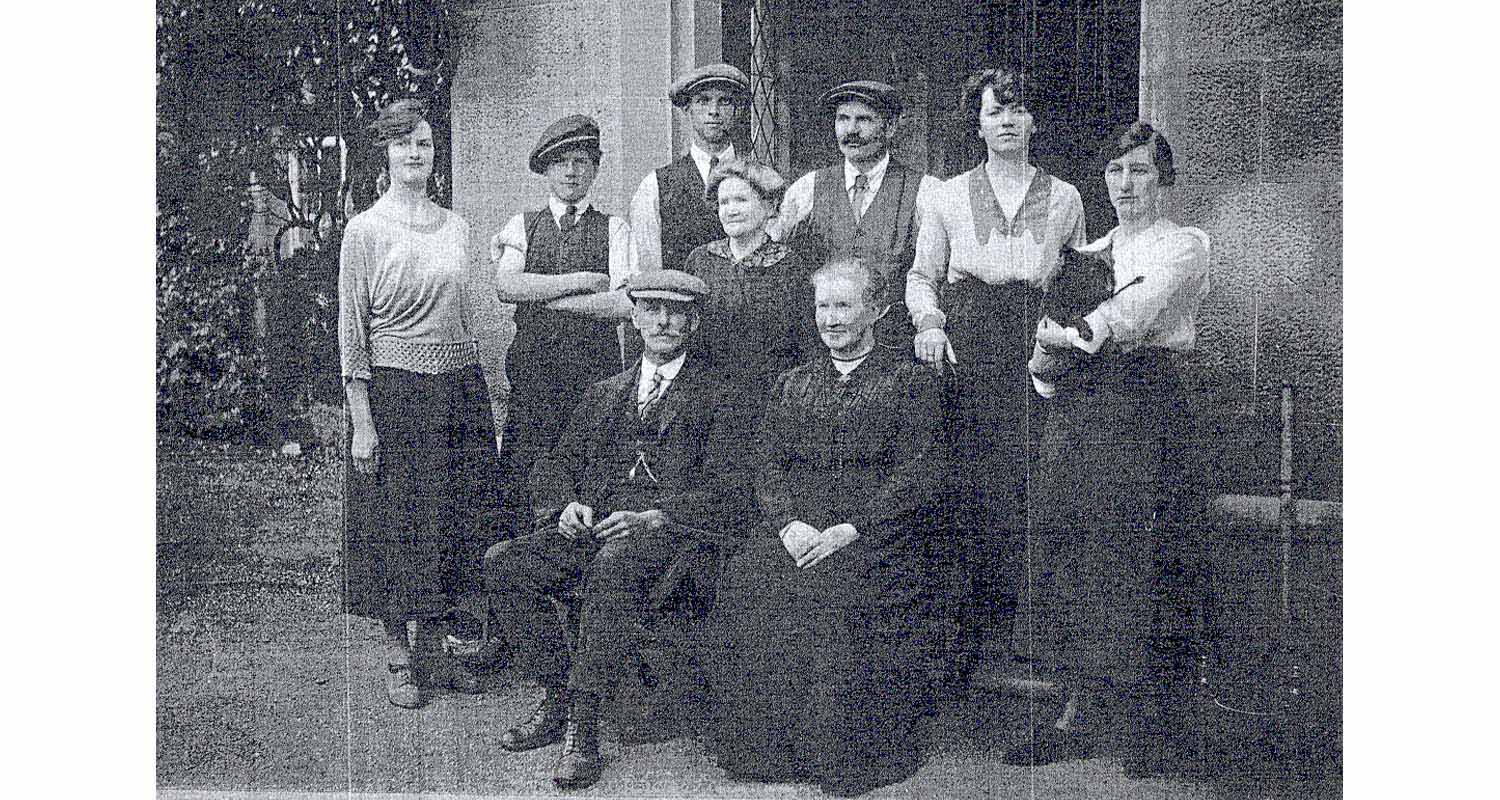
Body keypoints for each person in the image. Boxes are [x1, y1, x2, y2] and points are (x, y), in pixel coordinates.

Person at [484, 270, 743, 791]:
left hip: (674, 536)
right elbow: (557, 463)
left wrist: (656, 516)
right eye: (652, 309)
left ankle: (584, 724)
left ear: (693, 321)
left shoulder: (720, 396)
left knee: (614, 565)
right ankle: (558, 695)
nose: (664, 321)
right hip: (597, 525)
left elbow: (729, 491)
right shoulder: (606, 392)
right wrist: (565, 505)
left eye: (676, 312)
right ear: (635, 317)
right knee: (504, 564)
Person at [1011, 121, 1211, 779]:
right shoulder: (1086, 251)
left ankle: (1151, 725)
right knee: (1070, 550)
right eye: (1117, 171)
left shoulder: (1183, 247)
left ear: (1165, 181)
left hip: (1142, 407)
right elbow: (1045, 356)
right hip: (1076, 415)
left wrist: (1069, 334)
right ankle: (1072, 715)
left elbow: (1131, 317)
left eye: (1142, 171)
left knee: (1139, 558)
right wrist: (1048, 354)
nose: (1127, 184)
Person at [707, 258, 945, 798]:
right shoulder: (792, 384)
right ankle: (767, 750)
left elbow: (920, 470)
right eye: (822, 306)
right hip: (797, 532)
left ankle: (840, 755)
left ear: (877, 311)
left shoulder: (909, 381)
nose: (831, 319)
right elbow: (766, 463)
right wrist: (788, 523)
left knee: (837, 597)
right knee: (749, 579)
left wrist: (852, 528)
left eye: (844, 305)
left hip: (876, 538)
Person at [904, 65, 1086, 684]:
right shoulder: (948, 195)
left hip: (1035, 347)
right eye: (993, 112)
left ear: (1034, 121)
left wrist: (1057, 345)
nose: (1006, 122)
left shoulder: (1065, 198)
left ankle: (1023, 653)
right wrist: (930, 325)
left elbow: (1074, 282)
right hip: (968, 346)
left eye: (1017, 111)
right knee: (969, 488)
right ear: (977, 124)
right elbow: (922, 277)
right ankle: (961, 656)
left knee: (1032, 488)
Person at [338, 99, 503, 708]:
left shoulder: (457, 227)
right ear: (384, 153)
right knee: (397, 523)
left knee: (453, 517)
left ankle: (434, 644)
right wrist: (362, 420)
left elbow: (476, 313)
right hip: (396, 391)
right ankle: (397, 653)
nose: (416, 153)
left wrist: (492, 391)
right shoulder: (366, 230)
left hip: (458, 389)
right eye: (404, 143)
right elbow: (351, 328)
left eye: (426, 144)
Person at [490, 115, 636, 527]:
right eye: (561, 162)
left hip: (594, 374)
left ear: (594, 168)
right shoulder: (523, 224)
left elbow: (624, 305)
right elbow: (506, 287)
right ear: (546, 169)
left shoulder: (614, 229)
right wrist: (580, 283)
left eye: (581, 161)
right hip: (533, 372)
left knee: (589, 465)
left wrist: (547, 299)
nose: (571, 172)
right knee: (526, 466)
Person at [769, 80, 939, 345]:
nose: (851, 130)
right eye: (843, 119)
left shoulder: (924, 191)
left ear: (890, 127)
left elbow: (933, 273)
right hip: (824, 345)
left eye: (864, 120)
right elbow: (776, 260)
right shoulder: (808, 189)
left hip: (894, 346)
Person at [684, 158, 816, 404]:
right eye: (724, 202)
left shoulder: (790, 266)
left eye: (741, 200)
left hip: (771, 397)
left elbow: (805, 343)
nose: (731, 210)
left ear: (769, 206)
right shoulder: (700, 260)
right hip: (706, 397)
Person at [629, 64, 750, 273]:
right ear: (687, 109)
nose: (714, 111)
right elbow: (648, 273)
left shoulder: (756, 179)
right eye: (703, 101)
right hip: (684, 304)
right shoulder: (656, 186)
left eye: (725, 101)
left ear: (737, 110)